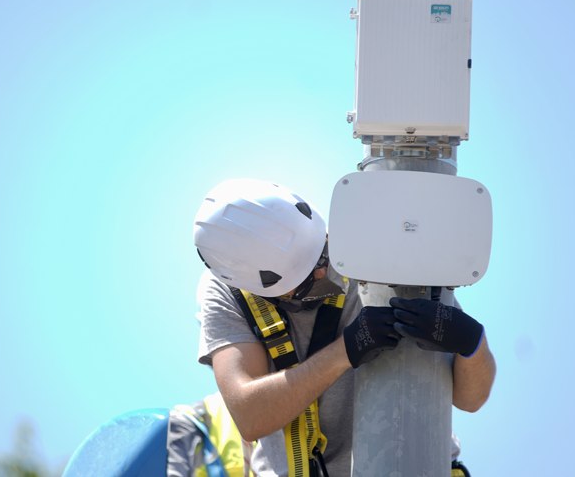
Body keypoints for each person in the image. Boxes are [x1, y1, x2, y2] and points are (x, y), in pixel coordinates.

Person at [193, 179, 496, 477]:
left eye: (321, 254)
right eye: (305, 278)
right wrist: (345, 351)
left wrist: (471, 342)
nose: (324, 270)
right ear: (255, 286)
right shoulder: (227, 292)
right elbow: (250, 415)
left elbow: (472, 399)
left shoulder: (369, 247)